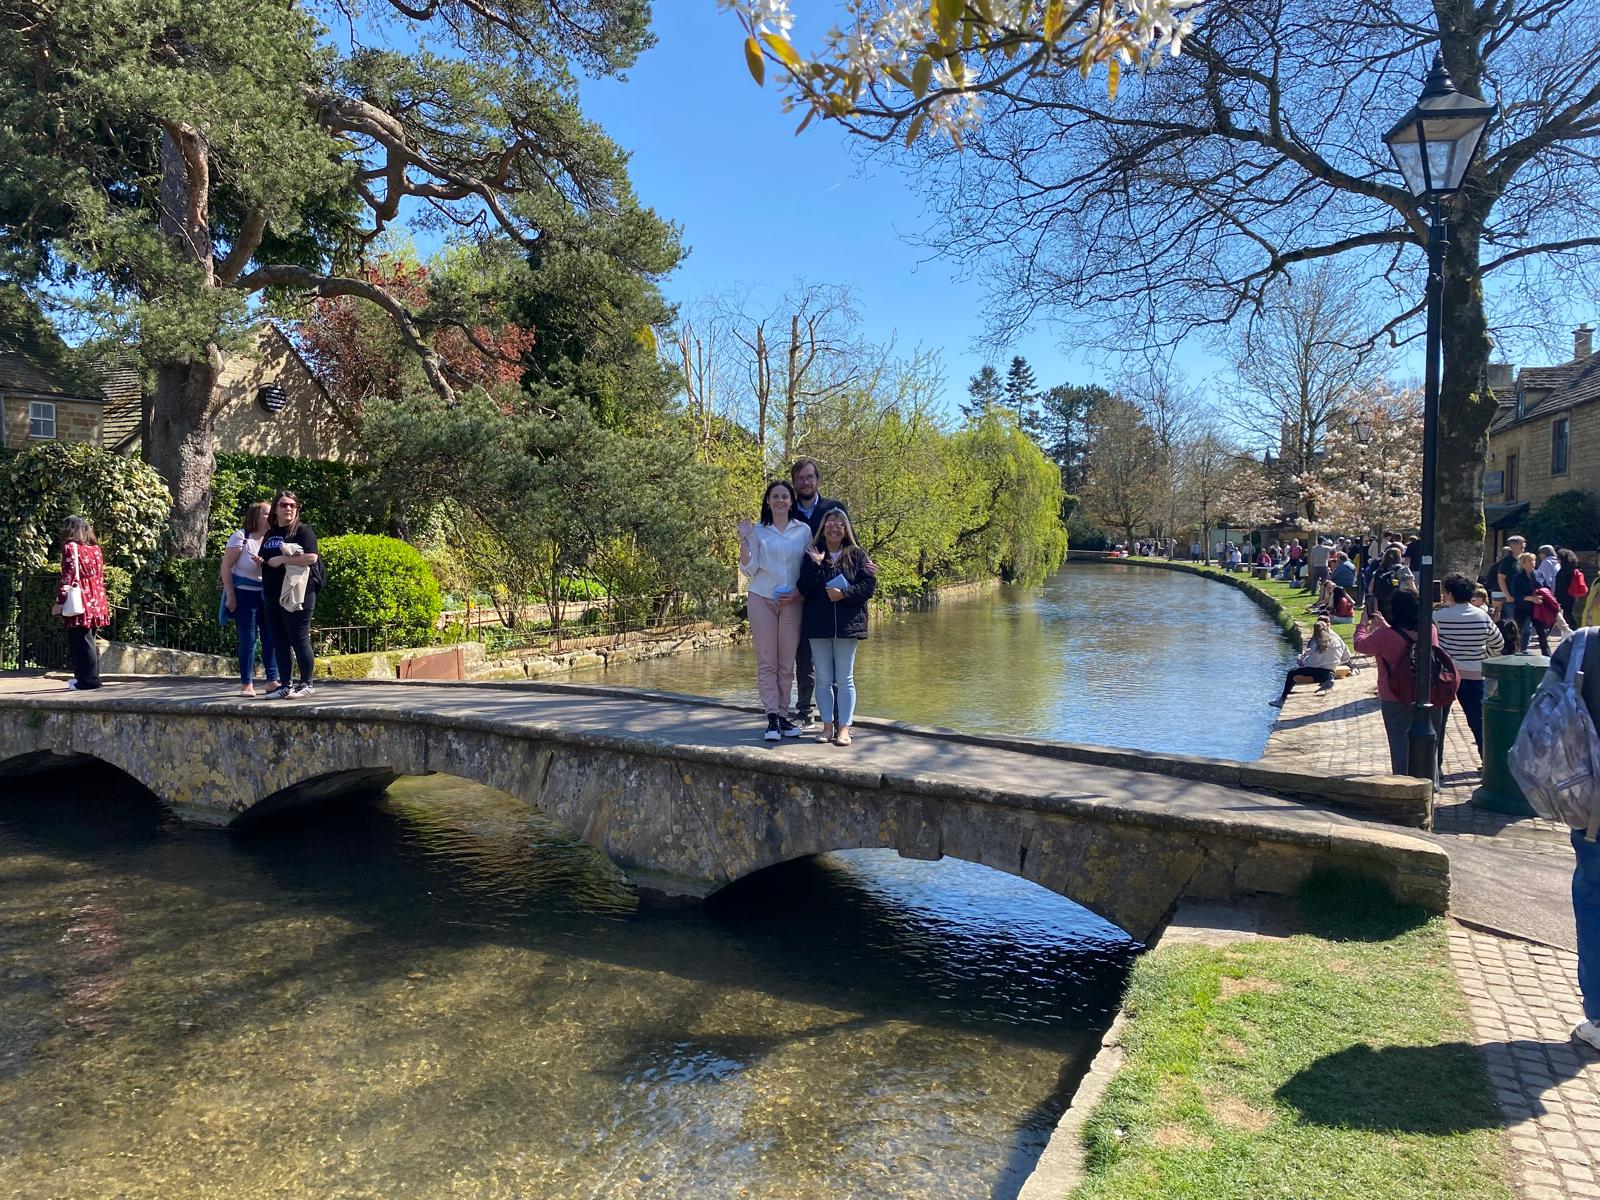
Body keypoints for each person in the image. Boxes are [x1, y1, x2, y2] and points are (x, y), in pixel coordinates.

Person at [1538, 633, 1600, 1052]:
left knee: (1595, 908)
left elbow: (1543, 717)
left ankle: (1599, 1017)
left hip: (1594, 807)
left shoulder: (1583, 646)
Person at [739, 479, 812, 741]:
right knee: (767, 661)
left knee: (786, 663)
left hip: (791, 602)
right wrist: (745, 539)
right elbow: (748, 568)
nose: (780, 500)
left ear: (791, 501)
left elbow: (808, 567)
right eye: (775, 496)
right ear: (768, 502)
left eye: (784, 496)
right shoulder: (758, 530)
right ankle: (771, 716)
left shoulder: (803, 530)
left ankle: (783, 714)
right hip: (762, 598)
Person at [799, 508, 876, 746]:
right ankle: (826, 727)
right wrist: (816, 565)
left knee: (845, 679)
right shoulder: (812, 553)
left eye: (839, 524)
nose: (834, 528)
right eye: (830, 524)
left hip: (847, 626)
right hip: (818, 626)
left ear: (846, 529)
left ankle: (844, 728)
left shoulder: (858, 555)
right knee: (823, 679)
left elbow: (868, 587)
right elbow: (804, 588)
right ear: (823, 528)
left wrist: (844, 594)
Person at [1355, 589, 1450, 775]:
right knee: (1430, 742)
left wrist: (1362, 625)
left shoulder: (1384, 635)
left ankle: (1403, 779)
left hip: (1395, 693)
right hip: (1428, 691)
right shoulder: (1429, 630)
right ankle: (1430, 780)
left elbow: (1360, 645)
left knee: (1399, 740)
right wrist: (1385, 626)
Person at [786, 457, 848, 729]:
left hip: (830, 592)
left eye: (809, 477)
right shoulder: (788, 511)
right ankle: (804, 710)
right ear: (794, 482)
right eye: (800, 478)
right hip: (798, 589)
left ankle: (834, 714)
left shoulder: (833, 508)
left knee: (832, 657)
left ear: (818, 480)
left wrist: (864, 565)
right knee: (803, 655)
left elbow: (850, 543)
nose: (805, 482)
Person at [259, 491, 323, 699]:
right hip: (272, 593)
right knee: (279, 640)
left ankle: (306, 683)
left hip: (298, 593)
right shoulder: (270, 534)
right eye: (284, 505)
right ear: (275, 509)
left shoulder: (303, 531)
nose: (288, 508)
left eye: (292, 505)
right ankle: (285, 684)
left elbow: (311, 558)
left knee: (299, 638)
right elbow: (267, 558)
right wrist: (260, 561)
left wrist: (283, 560)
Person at [1436, 572, 1505, 756]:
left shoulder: (1439, 617)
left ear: (1450, 594)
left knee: (1438, 723)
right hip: (1474, 674)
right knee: (1478, 722)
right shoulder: (1482, 616)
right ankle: (1488, 760)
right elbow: (1498, 644)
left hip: (1446, 675)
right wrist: (1483, 658)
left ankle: (1436, 764)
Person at [220, 500, 279, 697]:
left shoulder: (274, 538)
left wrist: (264, 563)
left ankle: (272, 680)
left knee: (270, 637)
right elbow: (226, 566)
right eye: (267, 513)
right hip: (245, 594)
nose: (272, 516)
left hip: (268, 594)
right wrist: (230, 595)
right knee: (249, 639)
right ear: (256, 516)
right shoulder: (241, 537)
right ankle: (247, 683)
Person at [52, 516, 110, 690]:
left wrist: (59, 602)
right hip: (96, 597)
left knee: (80, 642)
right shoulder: (95, 549)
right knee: (88, 639)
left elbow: (67, 577)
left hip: (81, 598)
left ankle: (88, 681)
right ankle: (86, 678)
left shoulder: (70, 548)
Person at [1267, 618, 1350, 707]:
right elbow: (1347, 657)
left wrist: (1301, 658)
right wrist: (1334, 663)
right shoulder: (1337, 640)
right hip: (1330, 671)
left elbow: (1308, 664)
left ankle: (1283, 699)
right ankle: (1329, 678)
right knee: (1324, 672)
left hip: (1316, 674)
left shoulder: (1315, 643)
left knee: (1291, 673)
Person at [1510, 550, 1551, 656]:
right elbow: (1515, 593)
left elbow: (1547, 589)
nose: (1533, 562)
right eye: (1530, 560)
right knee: (1517, 631)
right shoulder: (1517, 577)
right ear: (1523, 563)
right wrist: (1531, 598)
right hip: (1522, 607)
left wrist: (1543, 596)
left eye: (1534, 560)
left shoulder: (1539, 574)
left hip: (1537, 608)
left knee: (1541, 632)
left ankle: (1547, 655)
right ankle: (1514, 652)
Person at [1556, 547, 1587, 629]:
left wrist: (1556, 597)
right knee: (1570, 614)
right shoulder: (1573, 569)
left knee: (1567, 615)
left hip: (1564, 596)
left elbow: (1560, 586)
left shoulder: (1563, 571)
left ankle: (1574, 630)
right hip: (1573, 595)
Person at [1495, 534, 1527, 603]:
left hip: (1523, 596)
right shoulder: (1506, 562)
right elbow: (1501, 580)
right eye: (1521, 543)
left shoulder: (1525, 559)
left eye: (1524, 543)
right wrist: (1508, 596)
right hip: (1511, 597)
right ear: (1512, 545)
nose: (1523, 546)